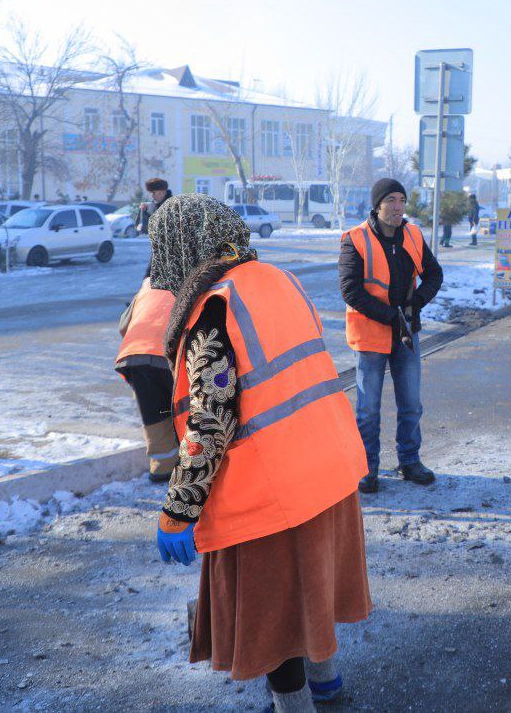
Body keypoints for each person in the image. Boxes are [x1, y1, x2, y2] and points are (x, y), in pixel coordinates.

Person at [148, 194, 370, 711]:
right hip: (328, 466)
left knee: (274, 617)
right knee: (313, 591)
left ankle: (295, 706)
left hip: (271, 495)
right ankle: (327, 683)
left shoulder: (212, 309)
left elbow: (211, 419)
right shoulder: (278, 280)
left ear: (183, 246)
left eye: (162, 249)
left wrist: (178, 510)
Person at [339, 179, 444, 493]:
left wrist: (416, 303)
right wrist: (390, 316)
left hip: (406, 335)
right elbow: (350, 290)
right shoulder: (354, 239)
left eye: (402, 200)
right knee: (368, 409)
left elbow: (434, 274)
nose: (398, 207)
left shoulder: (412, 234)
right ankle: (367, 468)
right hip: (371, 334)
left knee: (411, 403)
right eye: (391, 200)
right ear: (377, 205)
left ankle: (409, 460)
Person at [115, 277, 179, 482]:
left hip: (134, 356)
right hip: (170, 355)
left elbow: (124, 325)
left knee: (155, 413)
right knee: (186, 409)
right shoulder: (194, 281)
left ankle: (161, 468)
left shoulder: (148, 283)